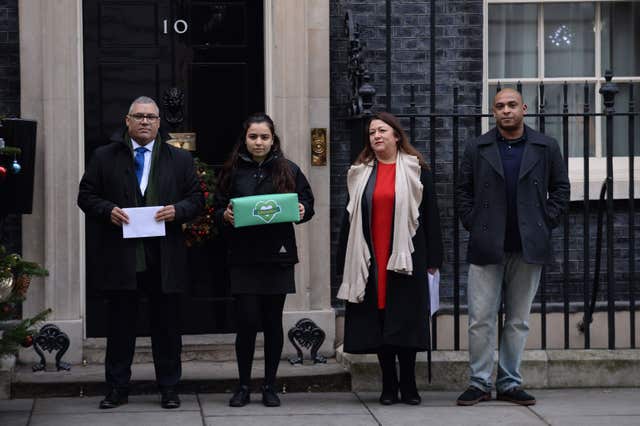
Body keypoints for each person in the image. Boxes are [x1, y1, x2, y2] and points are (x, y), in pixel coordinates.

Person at [78, 96, 203, 409]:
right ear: (127, 121)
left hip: (165, 257)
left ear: (159, 122)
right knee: (120, 327)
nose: (145, 121)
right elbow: (86, 195)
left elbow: (197, 200)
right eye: (139, 116)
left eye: (151, 117)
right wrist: (107, 210)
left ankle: (170, 389)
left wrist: (178, 210)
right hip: (122, 257)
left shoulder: (180, 159)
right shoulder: (104, 157)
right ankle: (117, 389)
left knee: (167, 327)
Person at [455, 88, 570, 406]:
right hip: (487, 244)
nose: (506, 110)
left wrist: (544, 221)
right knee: (480, 318)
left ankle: (508, 382)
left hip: (527, 245)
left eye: (512, 105)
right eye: (500, 106)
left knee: (518, 319)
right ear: (493, 112)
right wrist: (474, 224)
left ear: (524, 108)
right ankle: (479, 382)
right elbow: (462, 191)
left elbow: (561, 189)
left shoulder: (545, 146)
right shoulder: (477, 147)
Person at [337, 111, 443, 405]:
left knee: (405, 321)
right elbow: (349, 218)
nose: (376, 136)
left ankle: (409, 385)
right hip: (370, 257)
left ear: (397, 135)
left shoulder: (416, 170)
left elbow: (432, 216)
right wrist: (342, 259)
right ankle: (388, 385)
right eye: (372, 132)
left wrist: (434, 259)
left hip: (407, 257)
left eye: (382, 130)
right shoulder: (360, 172)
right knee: (380, 320)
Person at [214, 113, 314, 408]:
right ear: (245, 139)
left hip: (277, 258)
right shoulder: (232, 171)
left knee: (272, 323)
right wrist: (224, 215)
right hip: (244, 258)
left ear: (273, 140)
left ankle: (270, 386)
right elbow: (218, 205)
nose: (259, 142)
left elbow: (308, 204)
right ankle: (243, 386)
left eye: (264, 137)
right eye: (253, 137)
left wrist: (301, 209)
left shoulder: (290, 169)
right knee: (246, 323)